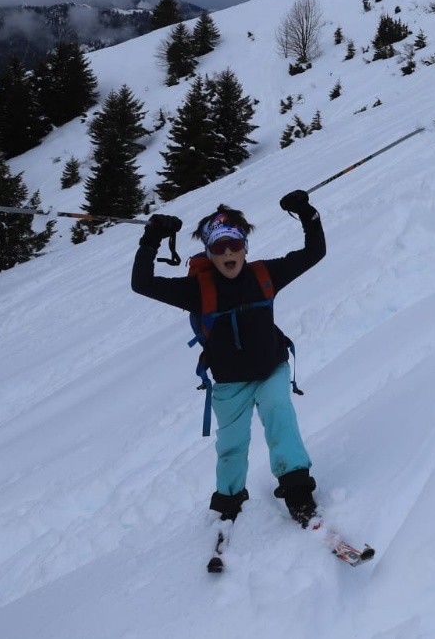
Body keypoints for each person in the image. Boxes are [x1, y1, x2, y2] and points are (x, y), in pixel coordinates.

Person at [133, 191, 326, 526]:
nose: (228, 253)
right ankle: (229, 503)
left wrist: (306, 212)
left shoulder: (264, 275)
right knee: (232, 446)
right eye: (219, 247)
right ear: (209, 251)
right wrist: (151, 238)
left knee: (280, 419)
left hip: (271, 371)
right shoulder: (198, 290)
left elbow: (315, 251)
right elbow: (142, 283)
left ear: (245, 247)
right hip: (229, 384)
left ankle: (298, 493)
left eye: (234, 244)